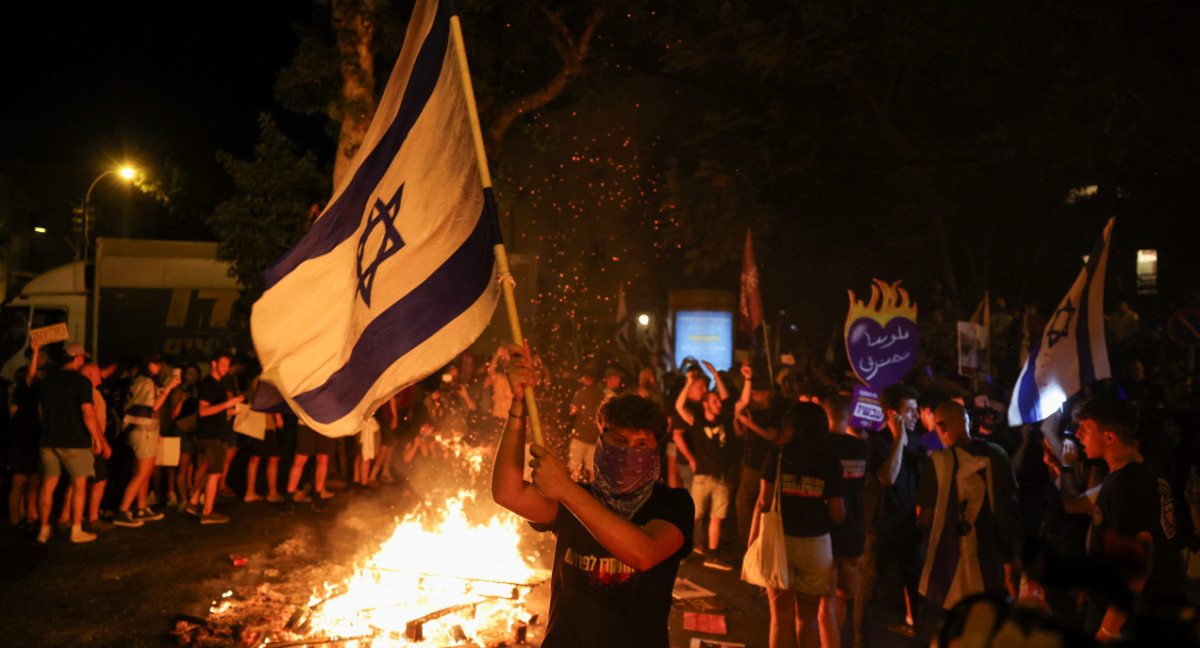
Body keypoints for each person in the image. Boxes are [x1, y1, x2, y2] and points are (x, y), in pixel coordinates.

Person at [492, 345, 693, 648]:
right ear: (601, 443)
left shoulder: (673, 503)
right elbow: (507, 493)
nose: (628, 454)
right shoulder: (574, 499)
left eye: (641, 444)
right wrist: (518, 404)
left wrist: (567, 489)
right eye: (619, 441)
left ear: (655, 452)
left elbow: (644, 553)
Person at [1069, 397, 1184, 641]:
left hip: (1129, 620)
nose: (1078, 435)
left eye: (1085, 428)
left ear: (1109, 436)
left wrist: (1108, 630)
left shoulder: (1130, 484)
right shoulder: (1142, 470)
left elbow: (1136, 565)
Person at [914, 400, 1021, 645]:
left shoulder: (938, 461)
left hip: (943, 570)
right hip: (987, 564)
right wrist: (1011, 560)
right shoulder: (997, 455)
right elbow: (1010, 513)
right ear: (968, 424)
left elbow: (924, 517)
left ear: (940, 426)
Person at [752, 402, 845, 648]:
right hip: (816, 545)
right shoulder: (830, 461)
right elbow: (837, 513)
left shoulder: (778, 454)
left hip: (781, 543)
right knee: (808, 619)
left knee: (781, 619)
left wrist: (753, 540)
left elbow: (763, 502)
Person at [855, 384, 925, 647]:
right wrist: (897, 440)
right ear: (894, 415)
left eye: (917, 411)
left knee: (918, 589)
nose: (916, 417)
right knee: (869, 590)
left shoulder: (918, 441)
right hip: (881, 527)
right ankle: (860, 643)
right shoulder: (876, 442)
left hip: (909, 529)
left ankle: (922, 639)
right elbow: (888, 476)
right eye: (910, 411)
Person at [36, 343, 104, 544]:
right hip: (75, 440)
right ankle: (76, 530)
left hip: (48, 440)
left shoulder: (46, 382)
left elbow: (40, 412)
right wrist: (97, 438)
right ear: (78, 359)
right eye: (82, 357)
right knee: (79, 484)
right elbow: (88, 413)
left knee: (48, 484)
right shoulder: (81, 382)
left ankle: (43, 529)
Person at [674, 361, 740, 567]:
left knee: (716, 517)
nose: (719, 404)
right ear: (705, 404)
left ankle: (712, 554)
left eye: (718, 401)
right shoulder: (698, 421)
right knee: (694, 516)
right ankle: (683, 551)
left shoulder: (724, 419)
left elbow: (728, 399)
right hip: (702, 476)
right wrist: (689, 382)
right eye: (714, 401)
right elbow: (679, 407)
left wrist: (715, 375)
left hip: (720, 477)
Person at [821, 393, 870, 648]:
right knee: (843, 598)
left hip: (826, 530)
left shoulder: (820, 446)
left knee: (824, 601)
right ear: (849, 417)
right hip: (854, 529)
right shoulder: (861, 447)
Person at [113, 354, 179, 527]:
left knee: (145, 471)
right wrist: (169, 387)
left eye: (160, 363)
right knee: (142, 472)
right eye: (156, 363)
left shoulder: (143, 381)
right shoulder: (145, 382)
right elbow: (153, 407)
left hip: (144, 430)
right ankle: (123, 510)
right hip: (143, 431)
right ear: (148, 364)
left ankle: (140, 508)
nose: (159, 366)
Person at [186, 351, 242, 524]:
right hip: (211, 436)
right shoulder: (210, 384)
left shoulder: (216, 384)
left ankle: (194, 501)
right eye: (222, 365)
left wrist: (230, 411)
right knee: (215, 473)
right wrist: (228, 404)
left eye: (227, 366)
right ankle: (208, 511)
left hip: (211, 434)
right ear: (214, 364)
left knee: (211, 469)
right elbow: (203, 411)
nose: (225, 369)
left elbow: (213, 410)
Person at [732, 363, 780, 549]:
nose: (753, 395)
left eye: (757, 392)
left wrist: (750, 424)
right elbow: (738, 432)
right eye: (752, 392)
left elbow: (772, 436)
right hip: (749, 461)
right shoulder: (751, 411)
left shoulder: (773, 414)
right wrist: (738, 420)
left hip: (765, 462)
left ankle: (756, 541)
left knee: (755, 501)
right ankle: (747, 541)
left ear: (767, 393)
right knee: (744, 501)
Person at [567, 364, 605, 481]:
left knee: (575, 469)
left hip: (580, 436)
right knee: (592, 471)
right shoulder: (601, 394)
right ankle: (590, 496)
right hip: (594, 438)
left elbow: (572, 411)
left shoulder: (581, 393)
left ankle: (572, 493)